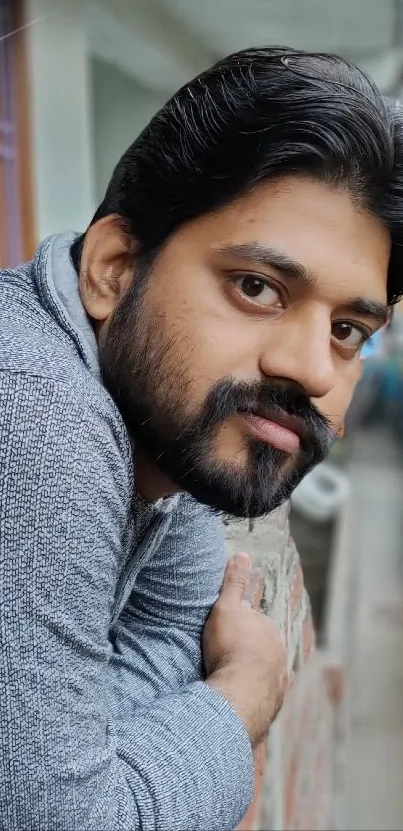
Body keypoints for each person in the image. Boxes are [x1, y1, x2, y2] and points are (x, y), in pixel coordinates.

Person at [1, 47, 403, 831]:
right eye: (256, 287)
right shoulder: (32, 409)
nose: (311, 369)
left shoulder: (169, 423)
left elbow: (170, 626)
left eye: (348, 329)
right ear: (114, 268)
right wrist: (245, 690)